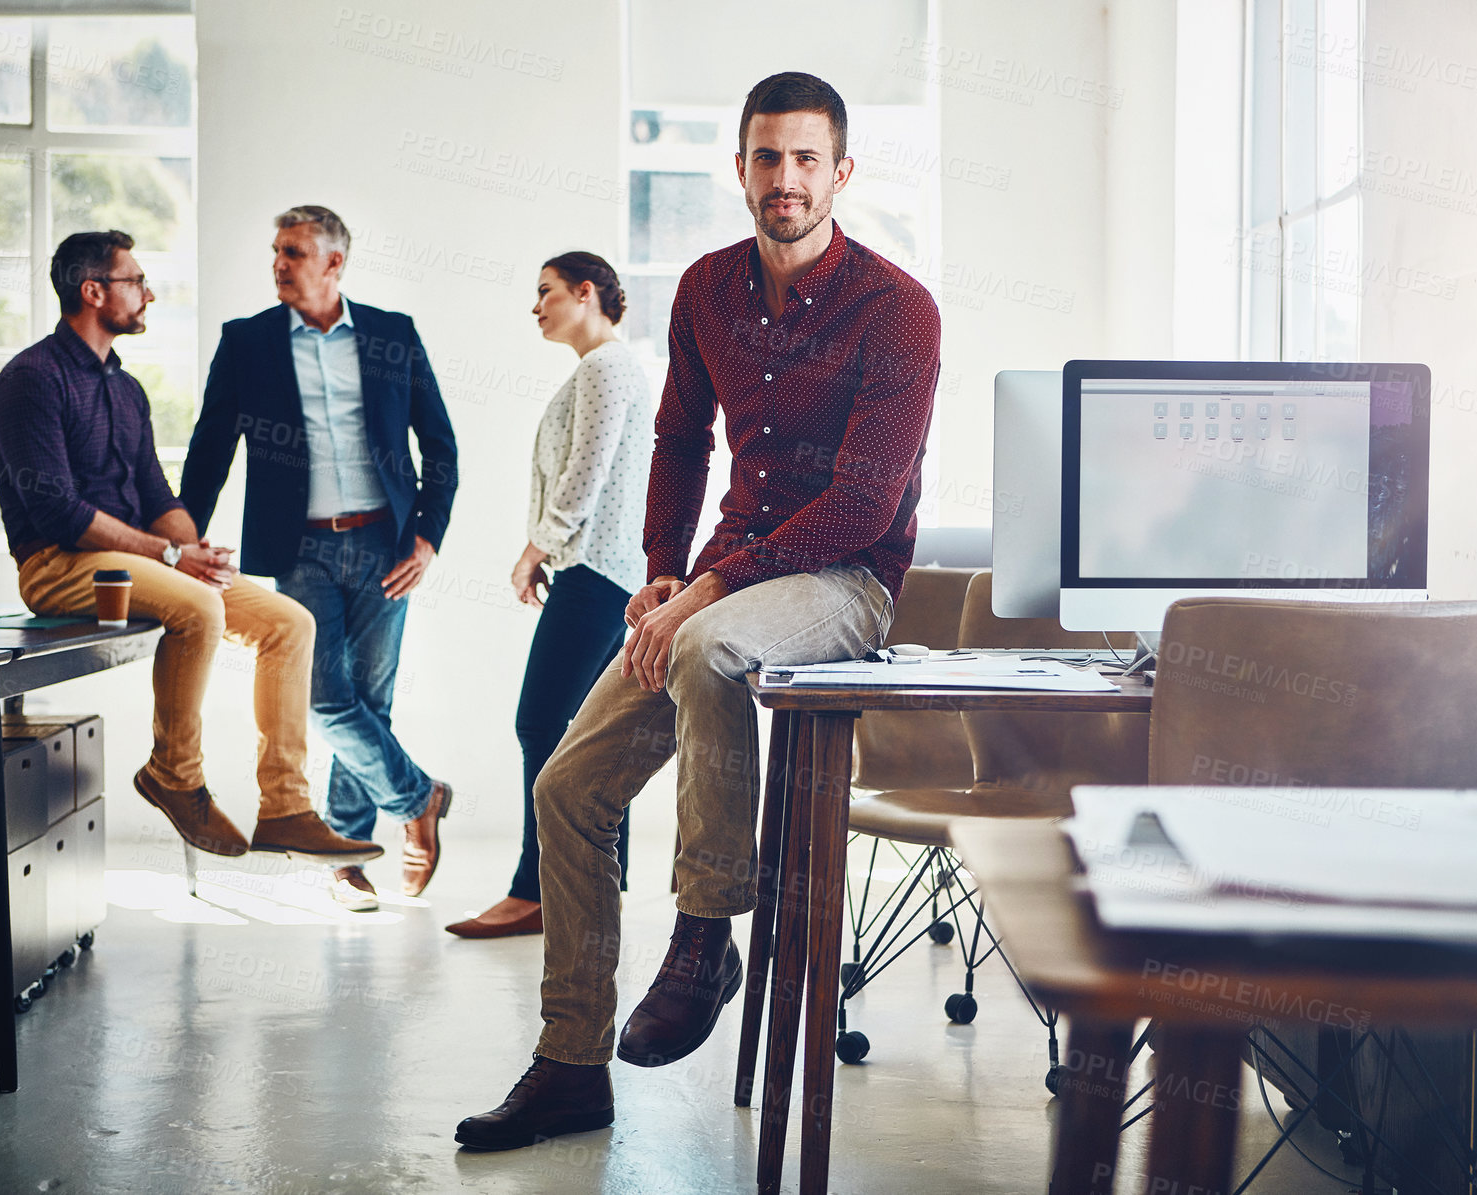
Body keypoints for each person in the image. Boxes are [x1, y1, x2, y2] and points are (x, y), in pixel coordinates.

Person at [454, 71, 940, 1151]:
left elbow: (862, 500)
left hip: (844, 583)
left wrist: (709, 593)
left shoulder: (899, 309)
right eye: (766, 157)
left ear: (841, 173)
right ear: (740, 169)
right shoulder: (708, 289)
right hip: (724, 578)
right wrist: (667, 568)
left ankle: (704, 930)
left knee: (712, 645)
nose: (785, 178)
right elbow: (680, 440)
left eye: (807, 159)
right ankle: (572, 1065)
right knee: (569, 787)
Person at [0, 230, 380, 864]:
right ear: (94, 291)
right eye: (135, 282)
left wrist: (195, 549)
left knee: (289, 623)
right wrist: (171, 560)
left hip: (135, 562)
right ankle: (175, 774)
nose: (148, 294)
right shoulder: (31, 379)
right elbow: (57, 511)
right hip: (57, 565)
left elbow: (156, 495)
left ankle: (285, 808)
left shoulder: (125, 389)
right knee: (198, 609)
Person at [180, 206, 459, 912]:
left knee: (369, 700)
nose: (279, 263)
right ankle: (418, 797)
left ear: (334, 263)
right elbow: (209, 451)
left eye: (294, 252)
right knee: (323, 696)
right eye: (276, 250)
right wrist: (182, 541)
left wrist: (427, 538)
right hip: (298, 548)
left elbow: (442, 447)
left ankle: (347, 854)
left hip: (384, 545)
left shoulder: (393, 334)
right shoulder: (247, 342)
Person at [445, 252, 651, 940]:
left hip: (596, 569)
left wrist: (538, 545)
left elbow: (584, 471)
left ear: (585, 292)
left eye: (545, 292)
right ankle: (600, 880)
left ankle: (535, 889)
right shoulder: (603, 368)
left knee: (542, 723)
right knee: (591, 731)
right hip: (598, 568)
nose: (535, 307)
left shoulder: (605, 367)